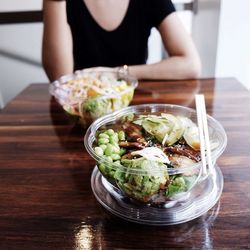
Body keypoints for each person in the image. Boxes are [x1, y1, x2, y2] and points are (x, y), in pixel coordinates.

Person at [42, 0, 201, 82]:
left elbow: (191, 65)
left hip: (136, 106)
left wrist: (117, 73)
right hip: (81, 108)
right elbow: (59, 78)